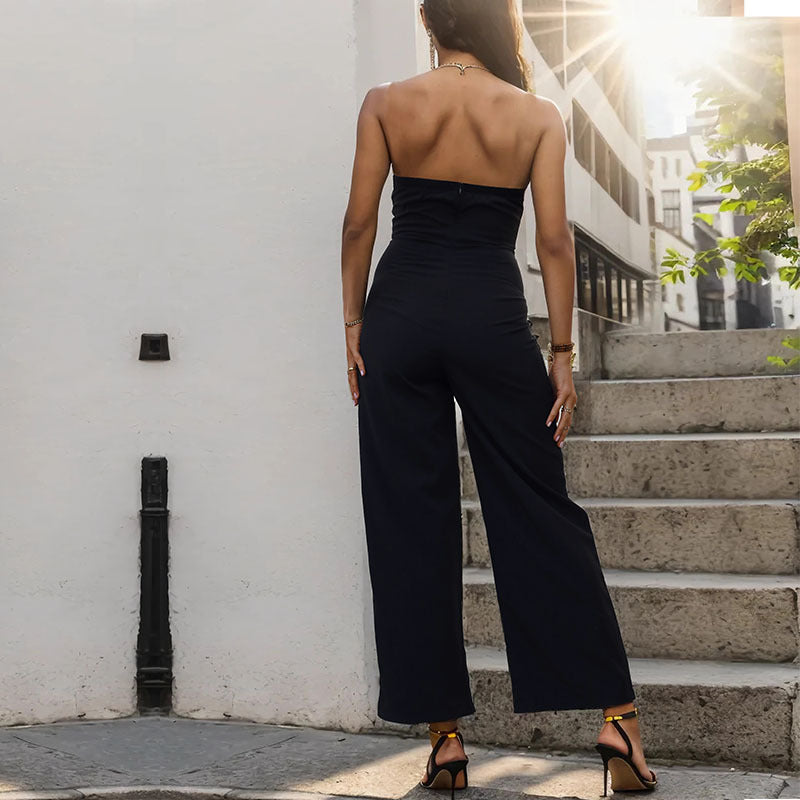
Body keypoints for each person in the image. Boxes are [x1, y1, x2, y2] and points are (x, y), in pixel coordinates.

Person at [340, 1, 657, 797]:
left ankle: (445, 738)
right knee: (540, 509)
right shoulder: (537, 114)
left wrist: (351, 322)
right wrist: (561, 354)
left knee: (407, 518)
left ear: (433, 23)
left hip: (401, 316)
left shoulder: (385, 102)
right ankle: (617, 718)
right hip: (489, 317)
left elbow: (358, 223)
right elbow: (553, 241)